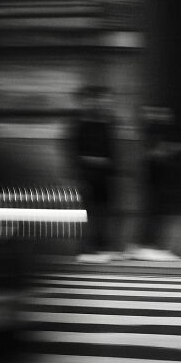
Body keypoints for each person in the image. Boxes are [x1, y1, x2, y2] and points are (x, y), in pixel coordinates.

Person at [126, 104, 181, 261]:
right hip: (155, 173)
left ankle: (147, 246)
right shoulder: (152, 130)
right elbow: (153, 153)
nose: (166, 115)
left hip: (160, 173)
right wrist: (170, 150)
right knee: (155, 210)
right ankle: (146, 246)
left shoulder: (160, 130)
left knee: (159, 210)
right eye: (161, 112)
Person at [71, 84, 117, 263]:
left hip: (105, 176)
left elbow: (111, 150)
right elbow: (75, 152)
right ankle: (87, 249)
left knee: (104, 212)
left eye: (108, 100)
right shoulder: (80, 124)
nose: (106, 103)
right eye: (102, 100)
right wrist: (94, 161)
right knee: (88, 212)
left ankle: (102, 247)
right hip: (87, 175)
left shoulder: (107, 122)